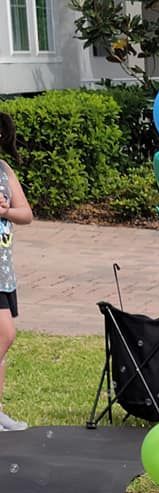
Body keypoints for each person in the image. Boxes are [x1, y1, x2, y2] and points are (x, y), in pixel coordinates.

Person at [0, 112, 33, 431]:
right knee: (4, 334)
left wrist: (6, 210)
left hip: (3, 272)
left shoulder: (3, 170)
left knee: (2, 340)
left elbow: (26, 213)